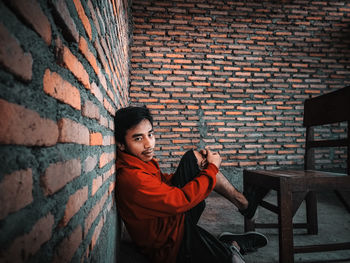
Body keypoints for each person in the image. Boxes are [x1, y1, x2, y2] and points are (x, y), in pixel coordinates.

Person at [115, 106, 267, 263]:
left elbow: (160, 182)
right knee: (232, 259)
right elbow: (180, 201)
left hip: (172, 222)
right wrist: (212, 168)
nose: (149, 144)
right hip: (170, 246)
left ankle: (244, 205)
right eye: (138, 138)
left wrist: (198, 170)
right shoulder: (132, 178)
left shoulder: (139, 161)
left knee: (193, 158)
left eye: (150, 134)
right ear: (121, 144)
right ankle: (234, 244)